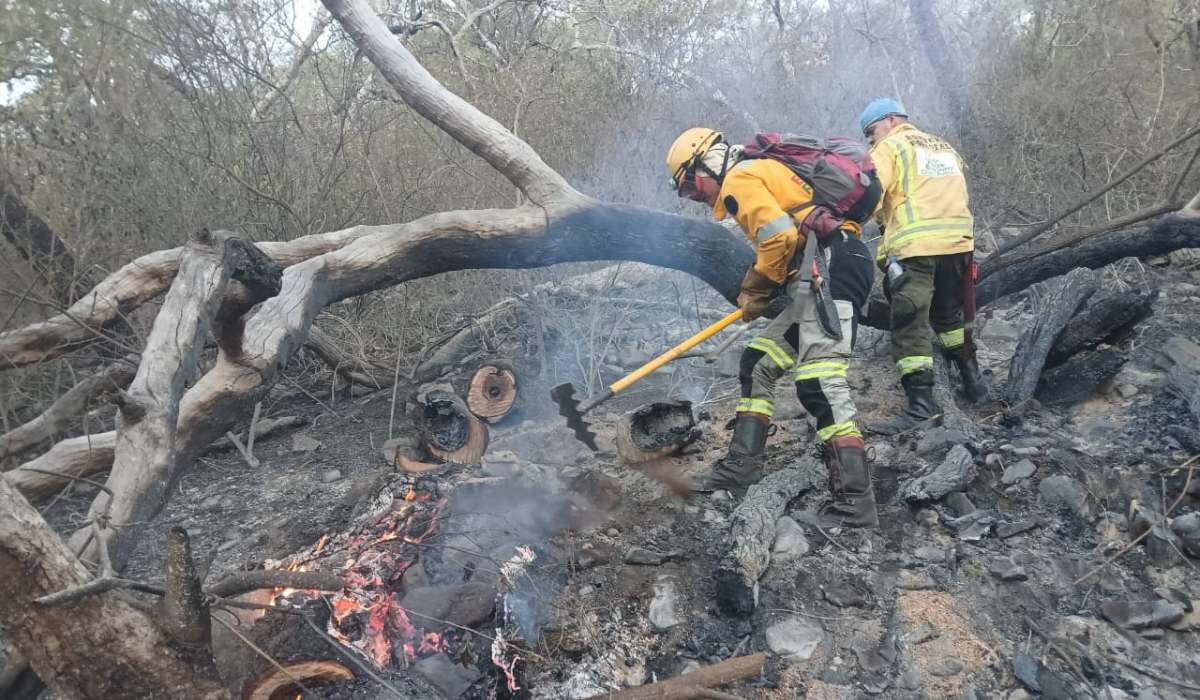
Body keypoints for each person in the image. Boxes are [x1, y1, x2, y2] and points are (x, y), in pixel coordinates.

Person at [665, 127, 881, 527]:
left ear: (704, 166)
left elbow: (778, 238)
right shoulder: (757, 171)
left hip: (830, 268)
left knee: (819, 382)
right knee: (759, 363)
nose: (697, 198)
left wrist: (755, 289)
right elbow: (787, 236)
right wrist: (763, 290)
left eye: (691, 188)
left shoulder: (741, 178)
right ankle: (742, 468)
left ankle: (854, 501)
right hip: (819, 272)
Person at [858, 99, 989, 435]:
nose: (869, 141)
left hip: (916, 248)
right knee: (948, 318)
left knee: (909, 321)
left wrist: (853, 219)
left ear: (888, 121)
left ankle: (920, 407)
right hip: (958, 244)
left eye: (870, 132)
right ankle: (975, 383)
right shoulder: (943, 146)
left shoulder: (890, 147)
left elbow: (871, 192)